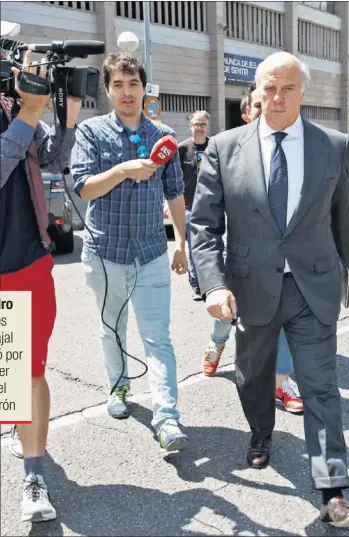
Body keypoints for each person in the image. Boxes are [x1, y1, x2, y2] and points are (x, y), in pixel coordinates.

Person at [190, 52, 349, 528]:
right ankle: (261, 432)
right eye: (269, 87)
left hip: (312, 286)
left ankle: (332, 491)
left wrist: (345, 274)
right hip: (250, 289)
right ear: (257, 91)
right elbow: (204, 226)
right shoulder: (225, 148)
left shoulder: (333, 145)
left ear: (303, 92)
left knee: (321, 388)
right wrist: (214, 285)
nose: (277, 97)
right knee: (252, 376)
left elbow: (340, 216)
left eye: (287, 88)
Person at [71, 53, 188, 452]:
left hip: (153, 251)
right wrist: (122, 170)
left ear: (143, 88)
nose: (126, 92)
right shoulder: (91, 132)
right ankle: (118, 388)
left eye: (133, 84)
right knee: (112, 329)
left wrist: (181, 246)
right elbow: (83, 188)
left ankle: (167, 417)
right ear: (107, 90)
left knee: (158, 337)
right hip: (106, 253)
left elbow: (175, 193)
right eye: (118, 85)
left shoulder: (163, 135)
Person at [1, 33, 81, 522]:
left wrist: (64, 108)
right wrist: (29, 112)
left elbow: (52, 159)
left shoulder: (16, 101)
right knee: (9, 369)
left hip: (27, 259)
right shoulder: (19, 109)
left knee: (28, 368)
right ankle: (14, 420)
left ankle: (34, 473)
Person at [202, 82, 303, 416]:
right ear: (247, 114)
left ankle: (282, 382)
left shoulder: (292, 151)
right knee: (228, 319)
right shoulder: (227, 151)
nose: (268, 110)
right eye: (258, 106)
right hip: (240, 263)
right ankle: (216, 345)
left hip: (281, 266)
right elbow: (207, 220)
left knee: (282, 323)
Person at [178, 111, 210, 300]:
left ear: (208, 127)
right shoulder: (182, 149)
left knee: (212, 246)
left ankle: (211, 282)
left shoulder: (214, 146)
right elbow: (174, 179)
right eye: (196, 124)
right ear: (190, 126)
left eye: (203, 124)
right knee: (192, 248)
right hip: (189, 206)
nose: (199, 128)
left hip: (212, 206)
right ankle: (196, 284)